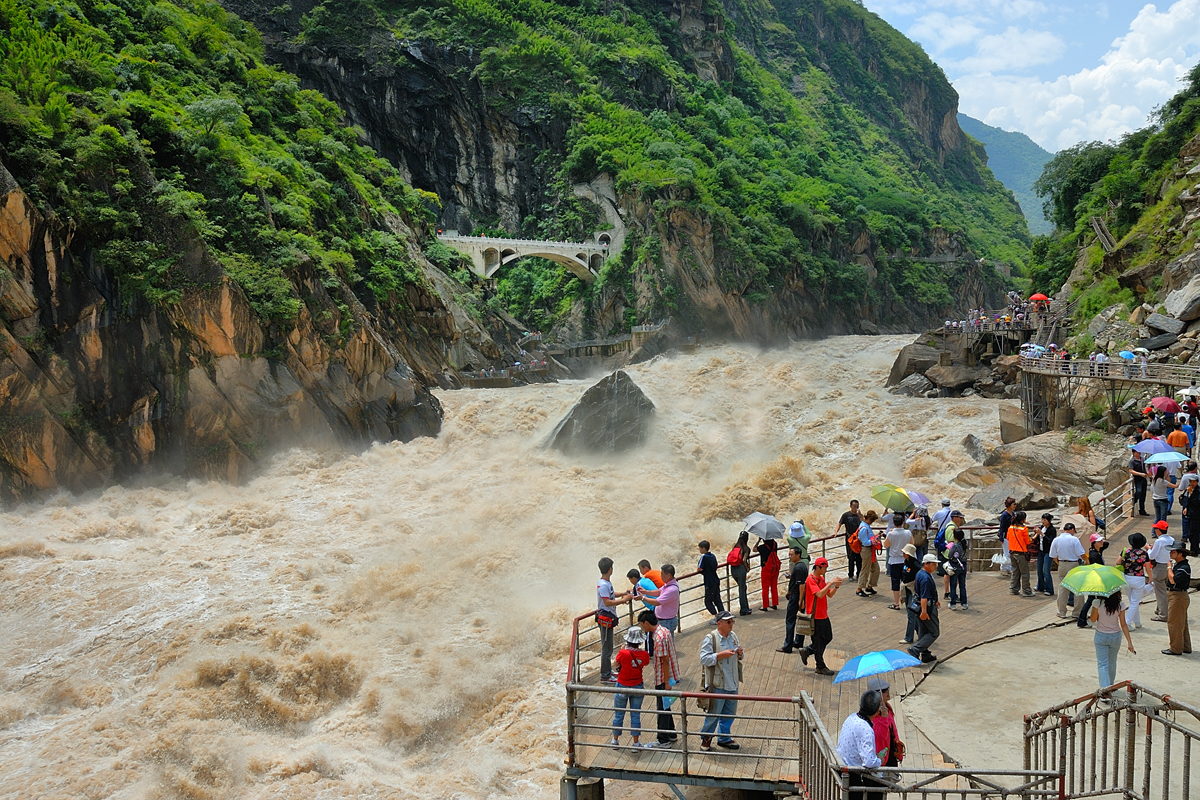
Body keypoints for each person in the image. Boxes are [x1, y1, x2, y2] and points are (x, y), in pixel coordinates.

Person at [698, 611, 743, 751]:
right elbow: (704, 659)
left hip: (732, 682)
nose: (731, 624)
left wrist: (740, 654)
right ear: (719, 623)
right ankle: (706, 739)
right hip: (717, 684)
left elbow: (740, 657)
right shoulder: (710, 638)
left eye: (732, 622)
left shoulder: (733, 636)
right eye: (728, 622)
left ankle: (724, 738)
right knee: (713, 714)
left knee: (729, 713)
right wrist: (721, 655)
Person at [637, 610, 679, 747]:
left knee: (661, 708)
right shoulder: (664, 631)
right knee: (666, 706)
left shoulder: (658, 638)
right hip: (670, 674)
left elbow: (664, 661)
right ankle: (671, 734)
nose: (642, 628)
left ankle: (663, 740)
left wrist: (666, 682)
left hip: (663, 677)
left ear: (647, 623)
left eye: (642, 625)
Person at [836, 690, 885, 800]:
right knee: (881, 787)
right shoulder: (866, 730)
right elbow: (869, 762)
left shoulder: (852, 717)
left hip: (841, 768)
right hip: (853, 775)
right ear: (878, 711)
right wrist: (880, 760)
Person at [800, 557, 844, 675]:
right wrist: (831, 583)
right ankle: (820, 666)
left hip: (823, 614)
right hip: (815, 616)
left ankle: (808, 651)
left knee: (827, 637)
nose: (825, 570)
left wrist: (836, 586)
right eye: (824, 568)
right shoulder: (811, 580)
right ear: (818, 567)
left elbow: (828, 594)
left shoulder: (821, 579)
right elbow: (819, 594)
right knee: (819, 641)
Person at [611, 627, 651, 747]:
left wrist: (622, 650)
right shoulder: (644, 654)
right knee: (635, 714)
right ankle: (636, 742)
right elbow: (645, 662)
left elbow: (616, 664)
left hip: (622, 685)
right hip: (637, 685)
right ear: (639, 642)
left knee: (619, 714)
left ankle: (615, 740)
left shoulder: (623, 653)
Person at [597, 557, 632, 683]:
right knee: (606, 648)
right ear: (610, 569)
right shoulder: (603, 585)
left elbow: (610, 595)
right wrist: (623, 600)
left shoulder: (606, 583)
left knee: (609, 647)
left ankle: (607, 671)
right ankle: (605, 676)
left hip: (608, 617)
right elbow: (606, 602)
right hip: (606, 618)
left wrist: (622, 593)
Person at [1090, 590, 1135, 688]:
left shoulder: (1098, 603)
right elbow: (1123, 624)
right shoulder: (1120, 605)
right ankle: (1110, 686)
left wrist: (1094, 607)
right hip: (1115, 636)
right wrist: (1129, 643)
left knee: (1102, 664)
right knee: (1112, 662)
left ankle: (1104, 690)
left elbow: (1092, 619)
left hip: (1101, 635)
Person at [777, 547, 809, 654]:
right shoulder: (802, 565)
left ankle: (788, 646)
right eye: (789, 554)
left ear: (798, 555)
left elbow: (801, 584)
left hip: (796, 597)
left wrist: (800, 600)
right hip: (798, 596)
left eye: (792, 554)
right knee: (800, 619)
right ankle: (798, 641)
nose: (789, 556)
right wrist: (791, 577)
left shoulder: (799, 568)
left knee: (790, 621)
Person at [1050, 523, 1086, 618]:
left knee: (1062, 588)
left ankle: (1061, 612)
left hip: (1062, 563)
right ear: (1072, 529)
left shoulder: (1056, 539)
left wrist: (1059, 563)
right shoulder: (1074, 539)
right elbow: (1081, 554)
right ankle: (1077, 612)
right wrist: (1087, 561)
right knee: (1077, 588)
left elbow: (1053, 556)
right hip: (1074, 564)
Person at [868, 677, 904, 768]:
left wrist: (898, 749)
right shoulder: (873, 714)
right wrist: (884, 718)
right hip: (881, 758)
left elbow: (893, 730)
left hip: (890, 751)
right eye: (884, 690)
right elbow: (881, 735)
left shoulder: (887, 708)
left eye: (887, 689)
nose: (888, 692)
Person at [1163, 544, 1193, 656]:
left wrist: (1169, 567)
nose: (1170, 553)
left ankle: (1175, 648)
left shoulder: (1183, 568)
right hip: (1177, 596)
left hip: (1178, 597)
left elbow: (1173, 580)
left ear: (1180, 553)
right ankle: (1185, 646)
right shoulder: (1181, 565)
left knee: (1174, 623)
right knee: (1182, 623)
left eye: (1173, 551)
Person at [910, 554, 941, 662]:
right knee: (934, 632)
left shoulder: (921, 574)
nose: (935, 566)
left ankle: (925, 654)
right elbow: (924, 597)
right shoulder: (925, 578)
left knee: (923, 631)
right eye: (934, 564)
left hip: (921, 606)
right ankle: (916, 649)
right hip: (926, 608)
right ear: (926, 564)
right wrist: (924, 612)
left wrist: (935, 600)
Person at [1120, 534, 1153, 629]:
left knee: (1133, 601)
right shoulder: (1144, 554)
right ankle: (1127, 622)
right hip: (1139, 579)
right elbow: (1148, 568)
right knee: (1135, 602)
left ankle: (1137, 622)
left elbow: (1118, 562)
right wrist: (1151, 578)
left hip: (1127, 577)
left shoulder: (1125, 551)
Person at [1077, 535, 1109, 627]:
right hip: (1096, 579)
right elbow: (1099, 569)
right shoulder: (1094, 555)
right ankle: (1082, 620)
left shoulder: (1098, 551)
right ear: (1094, 543)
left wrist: (1098, 540)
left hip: (1097, 578)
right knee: (1092, 599)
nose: (1101, 542)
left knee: (1096, 599)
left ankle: (1092, 618)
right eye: (1099, 541)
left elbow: (1106, 544)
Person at [884, 513, 912, 610]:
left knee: (895, 582)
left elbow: (885, 545)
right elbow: (912, 544)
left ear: (893, 523)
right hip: (906, 560)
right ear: (903, 522)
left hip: (894, 561)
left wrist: (888, 535)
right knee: (907, 581)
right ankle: (908, 600)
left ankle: (896, 603)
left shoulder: (891, 533)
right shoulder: (908, 533)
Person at [1149, 522, 1176, 622]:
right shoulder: (1171, 539)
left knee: (1160, 592)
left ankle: (1163, 615)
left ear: (1159, 530)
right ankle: (1160, 609)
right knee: (1165, 589)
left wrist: (1148, 549)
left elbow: (1152, 556)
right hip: (1168, 566)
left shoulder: (1159, 541)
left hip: (1159, 566)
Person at [641, 563, 679, 633]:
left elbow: (657, 602)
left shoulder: (671, 589)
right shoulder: (668, 584)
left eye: (662, 574)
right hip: (664, 620)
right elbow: (659, 591)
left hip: (667, 621)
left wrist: (643, 598)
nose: (660, 576)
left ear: (668, 576)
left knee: (666, 642)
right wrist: (645, 592)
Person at [898, 543, 921, 646]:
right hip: (906, 589)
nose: (903, 554)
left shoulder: (916, 564)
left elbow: (922, 574)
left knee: (911, 614)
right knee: (910, 613)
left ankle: (909, 637)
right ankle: (921, 634)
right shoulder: (905, 562)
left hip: (913, 590)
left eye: (905, 553)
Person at [1007, 510, 1033, 597]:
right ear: (1023, 519)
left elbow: (1008, 538)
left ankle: (1013, 589)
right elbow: (1028, 541)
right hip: (1021, 553)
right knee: (1025, 573)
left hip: (1012, 552)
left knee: (1015, 571)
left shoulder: (1010, 527)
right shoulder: (1024, 529)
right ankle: (1026, 591)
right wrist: (1035, 536)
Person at [697, 540, 725, 622]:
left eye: (700, 548)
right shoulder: (713, 555)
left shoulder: (704, 557)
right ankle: (723, 615)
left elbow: (699, 568)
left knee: (708, 602)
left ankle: (717, 617)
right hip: (715, 580)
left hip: (709, 582)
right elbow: (715, 566)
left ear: (704, 548)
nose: (699, 550)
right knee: (717, 599)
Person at [856, 510, 881, 597]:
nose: (872, 522)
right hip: (866, 550)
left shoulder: (866, 526)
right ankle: (859, 588)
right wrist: (874, 541)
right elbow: (865, 542)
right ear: (869, 519)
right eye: (872, 520)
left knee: (876, 569)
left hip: (870, 550)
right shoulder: (864, 528)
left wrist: (875, 538)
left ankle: (869, 586)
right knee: (865, 570)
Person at [727, 531, 753, 616]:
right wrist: (747, 567)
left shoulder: (735, 546)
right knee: (742, 590)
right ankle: (744, 610)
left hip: (733, 569)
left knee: (742, 587)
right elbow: (744, 560)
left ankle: (745, 607)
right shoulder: (746, 549)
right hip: (741, 569)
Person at [837, 500, 864, 580]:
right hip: (850, 539)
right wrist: (836, 532)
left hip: (858, 539)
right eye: (854, 506)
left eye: (857, 506)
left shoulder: (859, 516)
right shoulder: (846, 515)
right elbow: (840, 523)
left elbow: (864, 523)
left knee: (859, 558)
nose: (856, 508)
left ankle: (859, 574)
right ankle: (851, 575)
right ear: (850, 506)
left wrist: (860, 516)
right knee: (851, 558)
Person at [756, 535, 781, 611]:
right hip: (775, 567)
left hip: (766, 568)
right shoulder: (775, 544)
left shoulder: (762, 547)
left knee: (765, 588)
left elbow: (754, 549)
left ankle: (765, 606)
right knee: (774, 587)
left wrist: (758, 541)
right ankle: (775, 604)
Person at [947, 527, 969, 610]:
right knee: (962, 585)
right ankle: (964, 603)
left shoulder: (955, 546)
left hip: (955, 566)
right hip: (963, 565)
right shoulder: (966, 543)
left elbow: (949, 555)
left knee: (953, 585)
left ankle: (953, 603)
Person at [1036, 513, 1057, 596]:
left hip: (1048, 552)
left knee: (1046, 570)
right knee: (1039, 569)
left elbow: (1050, 541)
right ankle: (1040, 586)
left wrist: (1042, 534)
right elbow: (1039, 539)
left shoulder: (1052, 530)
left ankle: (1049, 589)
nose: (1043, 521)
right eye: (1042, 519)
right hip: (1041, 551)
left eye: (1045, 520)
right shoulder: (1042, 528)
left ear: (1049, 521)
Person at [998, 496, 1017, 576]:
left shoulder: (1013, 513)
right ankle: (1003, 569)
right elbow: (1001, 527)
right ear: (1009, 505)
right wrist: (1001, 537)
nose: (1015, 506)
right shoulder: (1004, 515)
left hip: (1012, 536)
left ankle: (1008, 568)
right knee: (1006, 553)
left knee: (1010, 552)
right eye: (1014, 504)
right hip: (1006, 536)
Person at [1183, 476, 1200, 556]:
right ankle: (1195, 548)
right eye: (1191, 482)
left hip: (1196, 515)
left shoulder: (1198, 491)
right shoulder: (1189, 489)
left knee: (1193, 533)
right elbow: (1188, 500)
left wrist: (1191, 493)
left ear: (1197, 482)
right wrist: (1186, 508)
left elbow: (1197, 502)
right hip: (1190, 513)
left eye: (1193, 482)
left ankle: (1194, 550)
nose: (1192, 484)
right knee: (1191, 533)